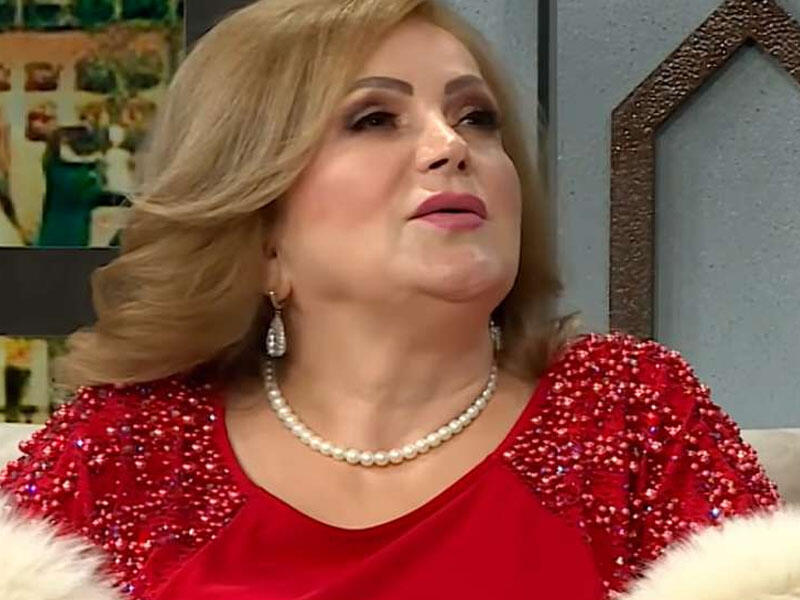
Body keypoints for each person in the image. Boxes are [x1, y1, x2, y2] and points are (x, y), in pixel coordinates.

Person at [0, 1, 783, 599]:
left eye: (477, 117)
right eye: (375, 119)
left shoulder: (629, 411)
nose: (452, 145)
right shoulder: (126, 445)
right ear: (261, 231)